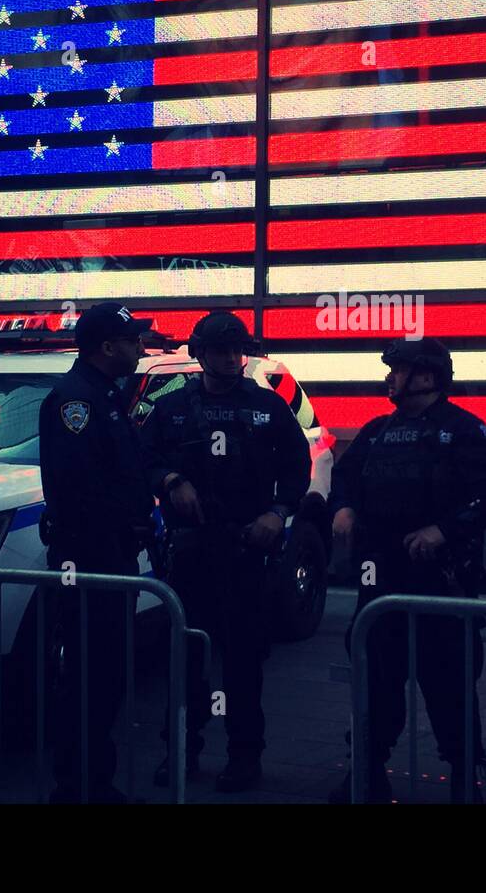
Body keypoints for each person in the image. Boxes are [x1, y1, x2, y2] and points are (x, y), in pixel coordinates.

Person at [327, 337, 486, 804]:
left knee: (449, 688)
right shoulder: (377, 431)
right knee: (375, 685)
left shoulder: (465, 430)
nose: (390, 376)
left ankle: (464, 777)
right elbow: (345, 478)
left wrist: (443, 531)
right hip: (381, 587)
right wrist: (343, 508)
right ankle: (367, 771)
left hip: (440, 586)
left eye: (400, 369)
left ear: (427, 377)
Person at [141, 311, 311, 793]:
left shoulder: (267, 406)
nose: (232, 359)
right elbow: (143, 457)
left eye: (238, 350)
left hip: (244, 554)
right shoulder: (172, 410)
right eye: (220, 350)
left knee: (243, 662)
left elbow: (298, 467)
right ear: (199, 353)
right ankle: (180, 752)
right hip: (191, 555)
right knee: (185, 660)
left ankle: (244, 757)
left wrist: (278, 513)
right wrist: (171, 481)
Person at [37, 301, 155, 804]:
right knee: (89, 677)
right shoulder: (76, 401)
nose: (140, 348)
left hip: (110, 557)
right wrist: (122, 528)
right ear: (108, 347)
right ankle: (79, 786)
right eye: (132, 341)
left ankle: (93, 781)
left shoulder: (103, 393)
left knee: (105, 676)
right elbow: (79, 488)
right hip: (92, 561)